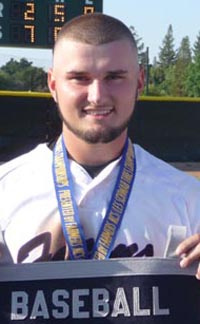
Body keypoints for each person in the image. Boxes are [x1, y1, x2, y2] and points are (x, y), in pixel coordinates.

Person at [0, 13, 200, 278]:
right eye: (79, 78)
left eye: (114, 77)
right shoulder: (5, 189)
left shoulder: (187, 198)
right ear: (53, 84)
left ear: (139, 82)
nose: (97, 96)